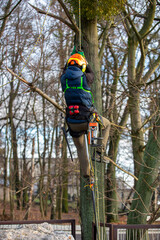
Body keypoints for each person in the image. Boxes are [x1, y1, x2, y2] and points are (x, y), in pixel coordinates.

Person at [60, 49, 110, 178]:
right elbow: (91, 71)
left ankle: (87, 175)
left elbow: (65, 71)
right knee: (107, 124)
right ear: (82, 65)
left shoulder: (63, 80)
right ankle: (99, 152)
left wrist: (72, 57)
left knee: (81, 148)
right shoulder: (86, 78)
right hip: (88, 119)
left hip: (72, 121)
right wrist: (83, 59)